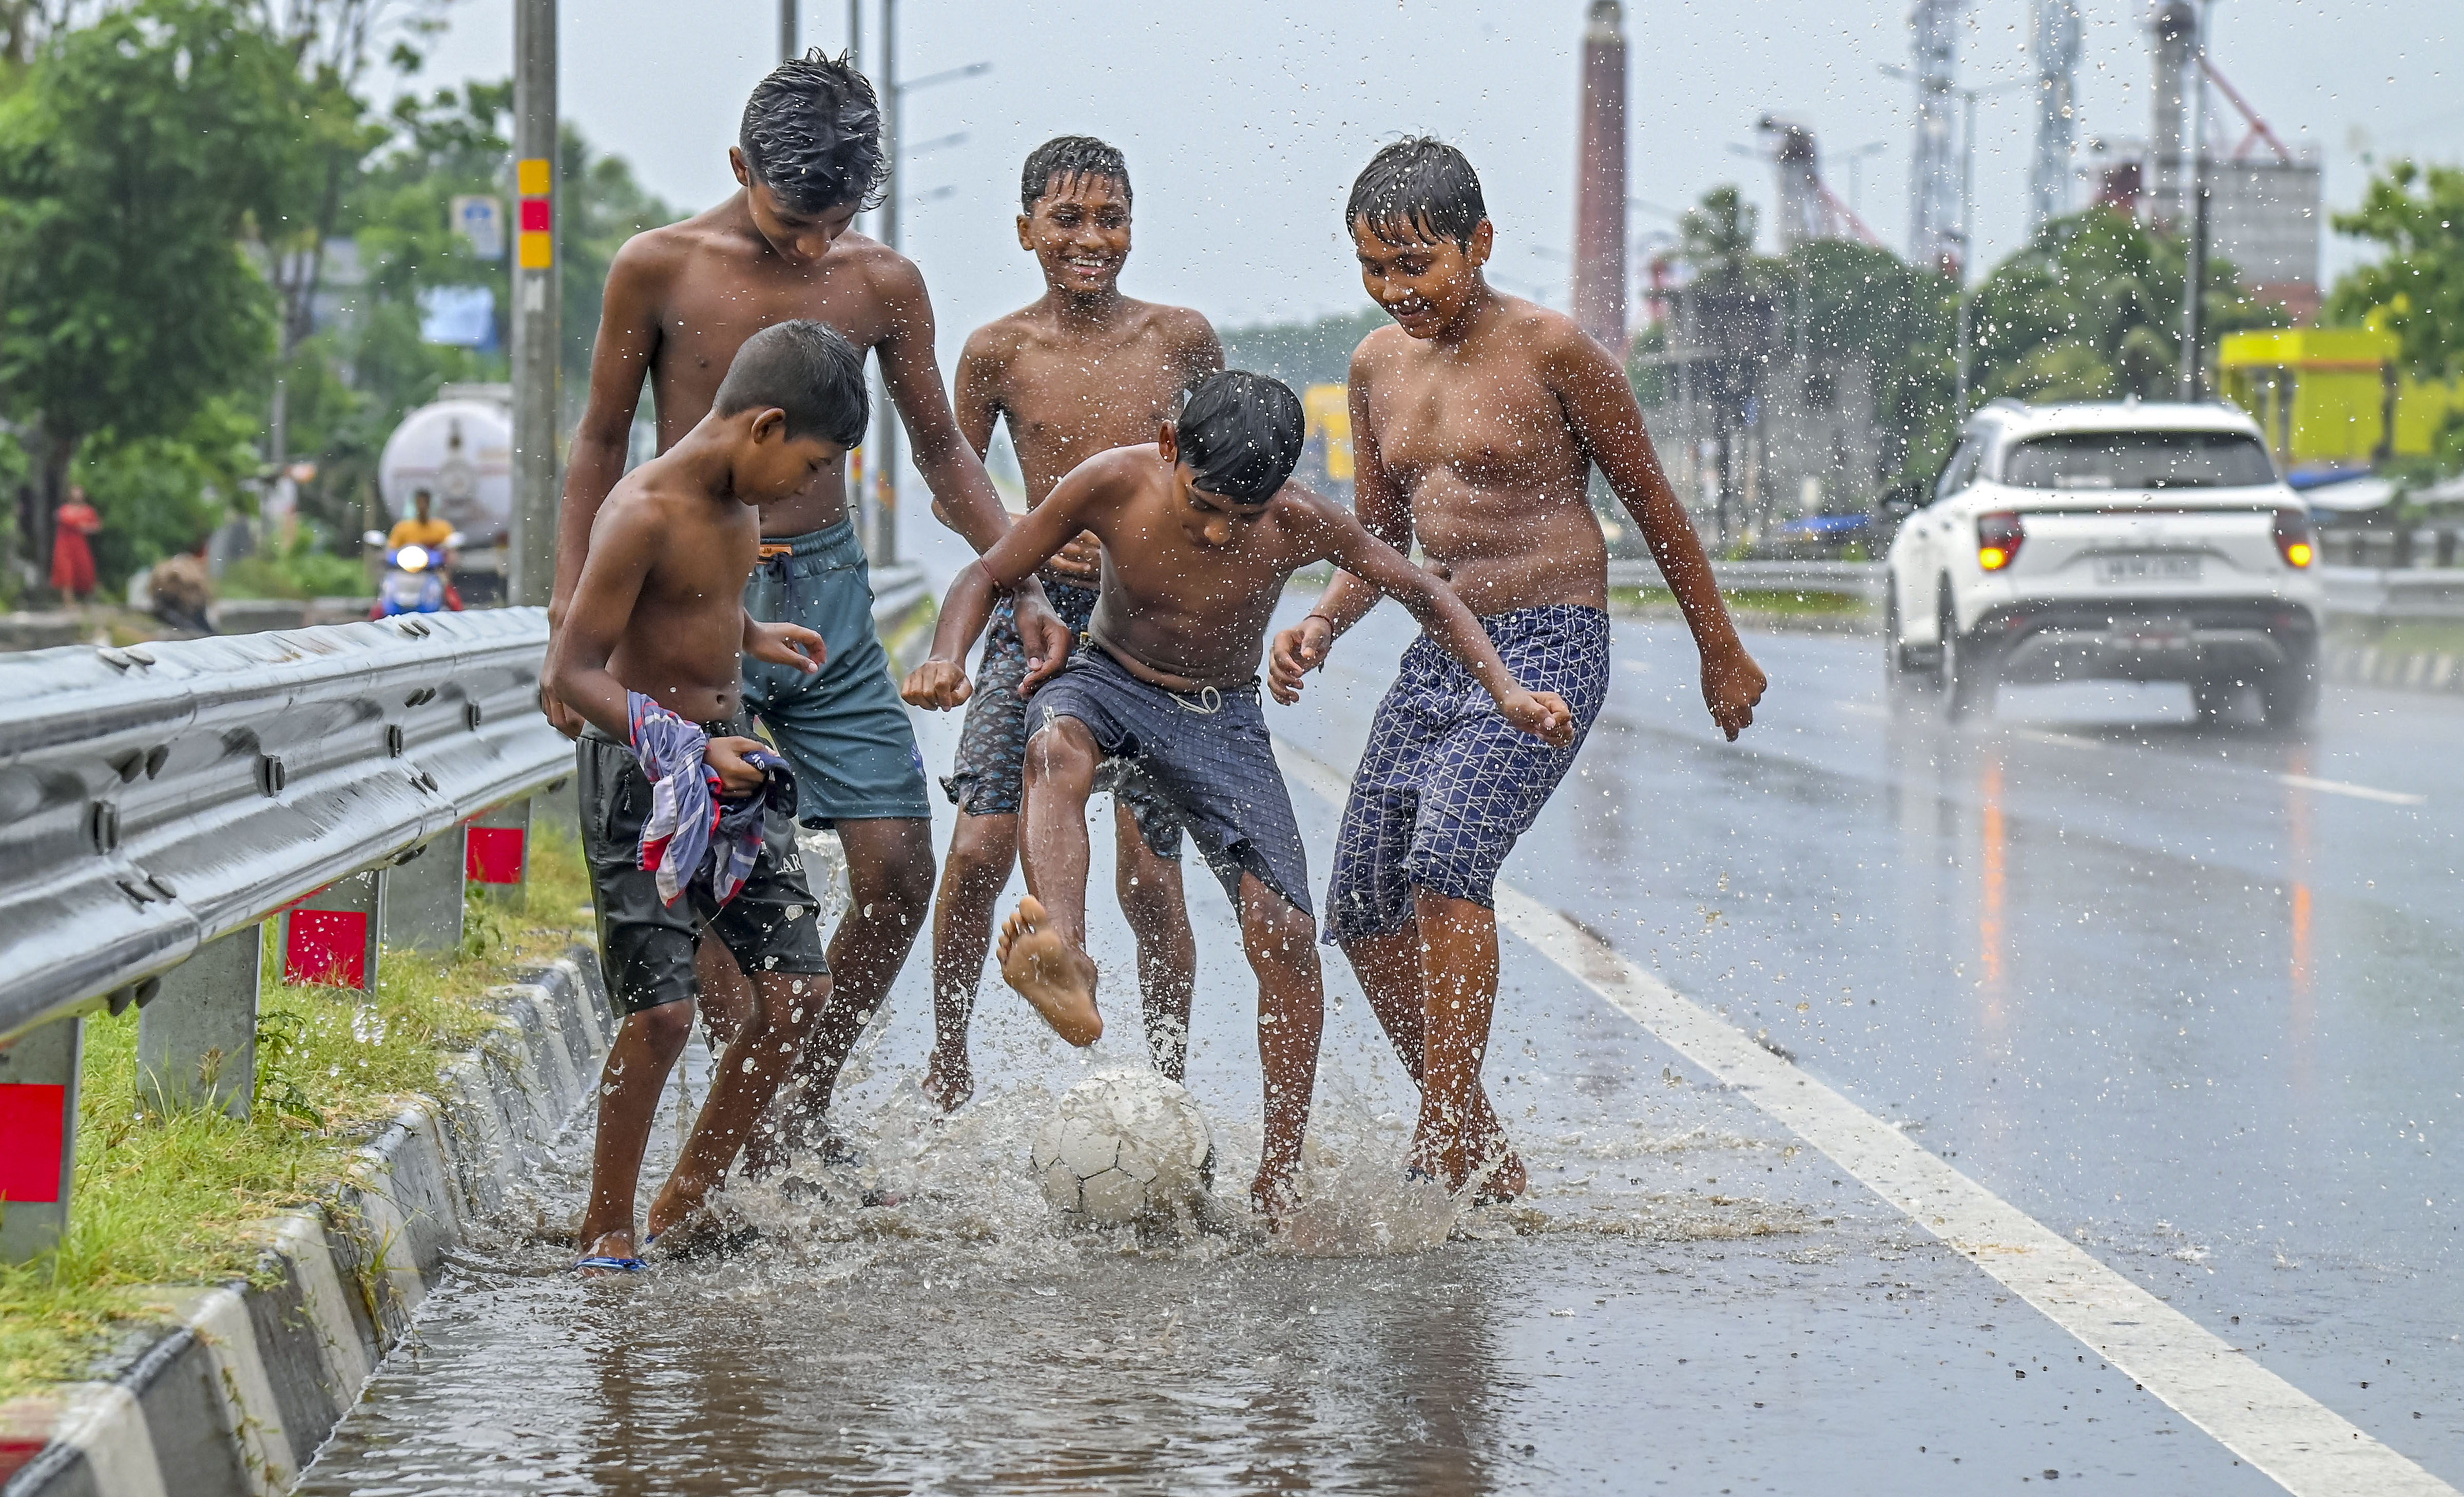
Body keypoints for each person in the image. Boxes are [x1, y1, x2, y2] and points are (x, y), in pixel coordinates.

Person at [544, 50, 1069, 1164]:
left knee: (896, 868)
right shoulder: (658, 268)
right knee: (706, 868)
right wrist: (567, 621)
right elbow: (598, 440)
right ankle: (750, 1144)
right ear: (740, 168)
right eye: (792, 223)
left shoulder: (883, 284)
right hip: (682, 600)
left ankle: (796, 1099)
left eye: (834, 224)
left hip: (825, 592)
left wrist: (1017, 577)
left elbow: (942, 457)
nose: (812, 248)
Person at [901, 370, 1574, 1220]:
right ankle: (1065, 952)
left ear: (1280, 493)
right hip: (1105, 682)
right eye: (1205, 503)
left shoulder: (1298, 521)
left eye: (1243, 516)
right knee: (1052, 747)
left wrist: (1507, 690)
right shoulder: (1113, 480)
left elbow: (1425, 590)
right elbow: (989, 574)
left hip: (1219, 717)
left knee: (1288, 931)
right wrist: (949, 656)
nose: (1221, 530)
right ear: (1172, 447)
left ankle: (1279, 1172)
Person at [1271, 139, 1768, 1201]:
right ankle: (1482, 1144)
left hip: (1549, 639)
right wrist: (1321, 624)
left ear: (1480, 243)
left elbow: (1654, 508)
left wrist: (1718, 650)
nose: (1399, 291)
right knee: (1360, 902)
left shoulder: (1554, 351)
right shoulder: (1373, 367)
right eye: (1376, 268)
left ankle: (1442, 1127)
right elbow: (1379, 535)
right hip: (1439, 649)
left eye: (1419, 265)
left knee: (1447, 862)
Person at [544, 319, 864, 1273]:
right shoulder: (643, 510)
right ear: (765, 426)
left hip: (734, 774)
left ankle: (690, 1191)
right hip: (647, 781)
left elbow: (690, 610)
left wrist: (753, 637)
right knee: (665, 1016)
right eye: (810, 466)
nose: (809, 489)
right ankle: (606, 1218)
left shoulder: (738, 507)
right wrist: (686, 741)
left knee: (800, 993)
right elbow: (574, 670)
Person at [926, 136, 1221, 1111]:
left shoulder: (1180, 338)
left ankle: (1168, 1079)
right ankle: (950, 1057)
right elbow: (952, 481)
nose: (1091, 238)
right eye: (1067, 219)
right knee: (977, 850)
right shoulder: (999, 352)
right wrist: (1025, 567)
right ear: (1026, 233)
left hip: (1150, 625)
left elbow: (1222, 470)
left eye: (1111, 218)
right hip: (1038, 610)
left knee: (1151, 873)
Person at [50, 487, 100, 603]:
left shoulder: (88, 511)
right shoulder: (65, 510)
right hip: (65, 545)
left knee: (86, 571)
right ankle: (69, 602)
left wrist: (86, 528)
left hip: (80, 545)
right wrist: (79, 525)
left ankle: (87, 600)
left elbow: (96, 526)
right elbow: (62, 518)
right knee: (66, 573)